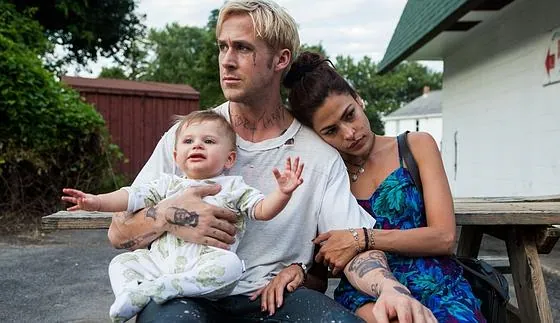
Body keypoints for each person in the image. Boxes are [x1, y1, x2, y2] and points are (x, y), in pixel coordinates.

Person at [107, 1, 436, 322]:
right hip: (183, 291)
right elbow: (119, 233)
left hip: (275, 297)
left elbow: (353, 246)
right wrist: (168, 215)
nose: (227, 61)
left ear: (281, 59)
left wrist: (392, 291)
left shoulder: (318, 155)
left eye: (243, 48)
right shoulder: (188, 137)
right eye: (223, 47)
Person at [283, 51, 486, 323]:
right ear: (317, 136)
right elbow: (320, 274)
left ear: (358, 99)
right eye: (331, 130)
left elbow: (444, 238)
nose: (349, 133)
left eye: (350, 115)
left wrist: (362, 237)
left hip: (438, 284)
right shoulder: (327, 176)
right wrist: (292, 273)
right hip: (365, 295)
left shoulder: (416, 146)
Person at [62, 111, 305, 322]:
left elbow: (262, 210)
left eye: (208, 141)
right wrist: (96, 202)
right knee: (121, 263)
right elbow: (130, 196)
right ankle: (130, 294)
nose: (197, 145)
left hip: (204, 265)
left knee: (231, 267)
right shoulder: (167, 185)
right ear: (177, 157)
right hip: (159, 264)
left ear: (230, 158)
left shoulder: (233, 187)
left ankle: (168, 287)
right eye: (189, 141)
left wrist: (282, 193)